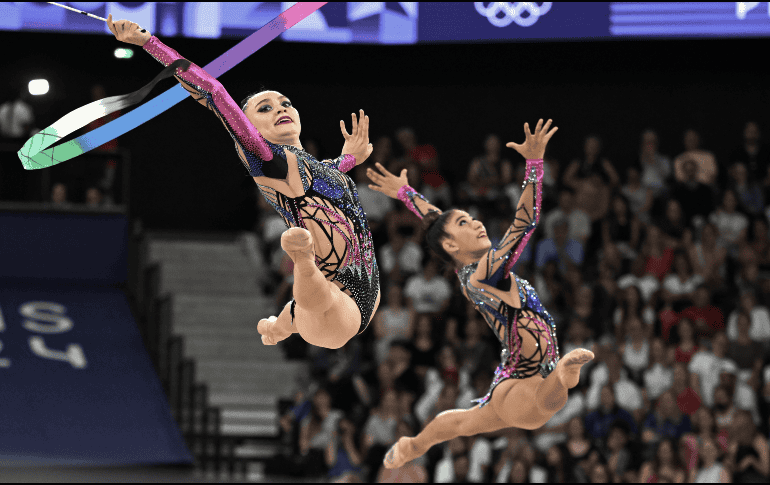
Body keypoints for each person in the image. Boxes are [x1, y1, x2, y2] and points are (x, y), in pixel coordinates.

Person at [107, 15, 379, 351]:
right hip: (334, 304)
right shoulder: (269, 160)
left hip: (367, 289)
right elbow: (212, 91)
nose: (279, 109)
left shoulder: (311, 166)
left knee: (297, 312)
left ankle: (278, 325)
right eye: (264, 108)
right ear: (248, 128)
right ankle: (301, 261)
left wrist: (350, 158)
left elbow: (329, 181)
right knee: (315, 297)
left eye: (285, 103)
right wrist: (149, 42)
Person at [367, 119, 594, 469]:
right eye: (464, 223)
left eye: (471, 217)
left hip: (519, 377)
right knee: (543, 406)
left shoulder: (469, 268)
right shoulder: (485, 272)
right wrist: (534, 164)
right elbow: (525, 222)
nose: (475, 222)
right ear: (451, 245)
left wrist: (406, 194)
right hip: (524, 383)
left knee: (464, 423)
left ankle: (413, 445)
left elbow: (437, 222)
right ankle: (563, 376)